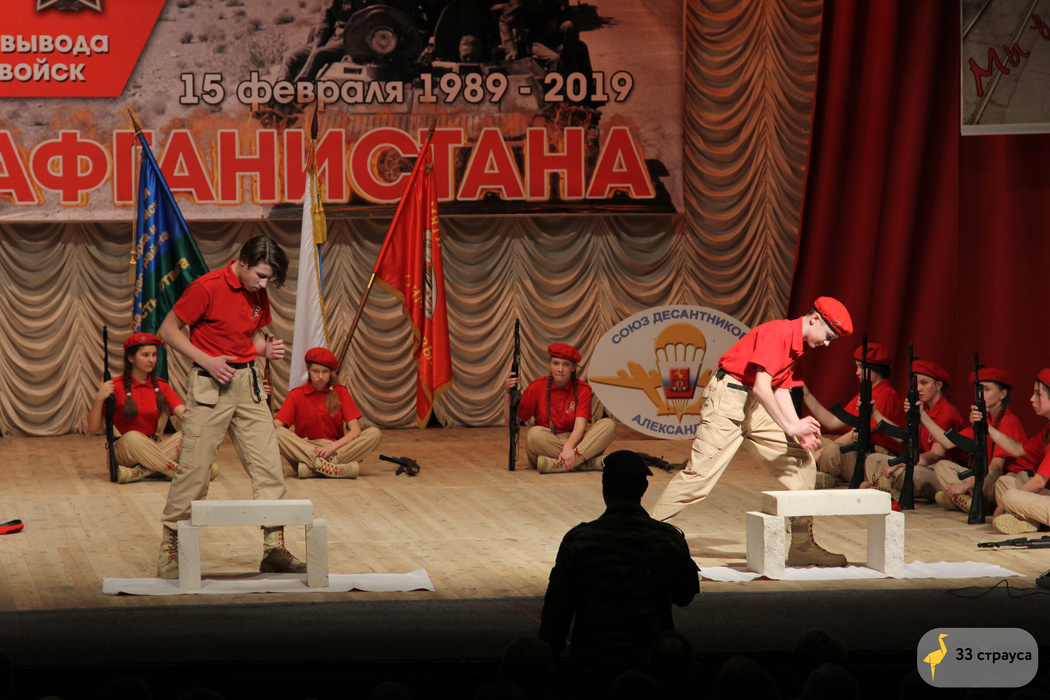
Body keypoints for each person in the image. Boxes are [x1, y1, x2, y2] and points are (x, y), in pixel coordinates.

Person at [649, 297, 852, 567]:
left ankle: (802, 546)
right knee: (699, 477)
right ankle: (640, 536)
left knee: (802, 463)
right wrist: (790, 426)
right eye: (828, 336)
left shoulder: (798, 346)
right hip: (730, 398)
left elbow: (780, 388)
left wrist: (798, 430)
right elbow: (761, 386)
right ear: (815, 319)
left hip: (753, 404)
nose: (826, 344)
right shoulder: (777, 333)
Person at [155, 236, 305, 579]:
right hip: (210, 385)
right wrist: (207, 360)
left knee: (269, 467)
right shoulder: (206, 287)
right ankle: (171, 549)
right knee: (194, 470)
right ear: (243, 261)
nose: (264, 284)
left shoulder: (257, 290)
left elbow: (251, 335)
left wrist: (264, 349)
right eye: (261, 276)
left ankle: (274, 549)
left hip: (249, 384)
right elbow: (168, 330)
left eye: (269, 279)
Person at [538, 450, 699, 694]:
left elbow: (557, 613)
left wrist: (549, 665)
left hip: (592, 667)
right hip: (652, 666)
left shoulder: (580, 541)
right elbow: (685, 596)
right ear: (644, 488)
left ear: (605, 487)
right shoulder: (668, 539)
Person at [87, 332, 218, 485]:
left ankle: (137, 473)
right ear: (131, 358)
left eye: (154, 355)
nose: (151, 359)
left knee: (190, 432)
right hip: (125, 451)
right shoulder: (116, 386)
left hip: (154, 449)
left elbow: (186, 416)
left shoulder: (161, 386)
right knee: (132, 437)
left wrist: (192, 434)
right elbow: (93, 427)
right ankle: (187, 474)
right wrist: (99, 398)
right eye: (145, 355)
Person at [802, 342, 904, 488]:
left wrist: (822, 452)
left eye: (861, 367)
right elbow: (833, 422)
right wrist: (807, 396)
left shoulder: (885, 395)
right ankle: (820, 472)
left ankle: (821, 474)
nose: (857, 372)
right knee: (812, 439)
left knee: (831, 450)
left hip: (872, 456)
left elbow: (860, 433)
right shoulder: (868, 392)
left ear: (874, 368)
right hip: (858, 450)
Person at [505, 343, 616, 473]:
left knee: (609, 425)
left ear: (573, 368)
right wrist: (507, 393)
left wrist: (568, 447)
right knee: (533, 435)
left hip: (575, 443)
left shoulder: (583, 389)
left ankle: (556, 465)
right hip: (548, 444)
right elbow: (510, 422)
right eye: (556, 363)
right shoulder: (537, 386)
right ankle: (586, 463)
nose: (560, 369)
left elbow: (579, 428)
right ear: (550, 365)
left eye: (566, 365)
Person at [863, 359, 964, 502]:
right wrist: (875, 414)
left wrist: (902, 463)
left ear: (938, 385)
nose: (918, 389)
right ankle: (884, 486)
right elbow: (906, 437)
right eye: (915, 384)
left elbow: (936, 454)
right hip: (921, 463)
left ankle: (886, 487)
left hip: (938, 471)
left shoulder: (946, 412)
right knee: (873, 459)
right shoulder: (926, 409)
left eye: (924, 383)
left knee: (908, 472)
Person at [928, 368, 1026, 513]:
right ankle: (969, 501)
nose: (981, 395)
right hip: (987, 478)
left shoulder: (1008, 420)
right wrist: (922, 415)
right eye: (979, 389)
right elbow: (948, 442)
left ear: (1002, 394)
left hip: (1006, 479)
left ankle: (963, 499)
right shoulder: (985, 420)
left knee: (996, 478)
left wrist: (964, 487)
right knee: (943, 466)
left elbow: (995, 468)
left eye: (987, 389)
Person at [274, 346, 381, 479]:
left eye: (325, 372)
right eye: (316, 371)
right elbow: (276, 426)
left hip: (335, 449)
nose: (320, 376)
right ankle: (332, 467)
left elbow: (355, 431)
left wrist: (331, 448)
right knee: (277, 432)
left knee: (374, 433)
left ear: (331, 372)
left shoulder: (341, 392)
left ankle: (314, 469)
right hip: (305, 449)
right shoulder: (296, 394)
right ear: (308, 369)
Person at [987, 369, 1050, 534]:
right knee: (1004, 483)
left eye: (1038, 394)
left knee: (1010, 496)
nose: (1032, 398)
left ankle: (1026, 519)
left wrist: (1003, 504)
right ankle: (1028, 521)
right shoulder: (1048, 432)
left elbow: (1039, 482)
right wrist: (986, 428)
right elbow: (1017, 449)